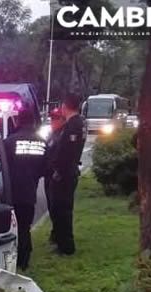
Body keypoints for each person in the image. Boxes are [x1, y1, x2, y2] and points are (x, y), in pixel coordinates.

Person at [3, 111, 47, 271]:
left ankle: (13, 260)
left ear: (17, 122)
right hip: (29, 191)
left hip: (11, 193)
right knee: (25, 226)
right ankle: (24, 259)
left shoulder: (8, 142)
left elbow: (2, 167)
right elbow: (45, 168)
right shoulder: (42, 143)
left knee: (11, 228)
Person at [45, 94, 86, 255]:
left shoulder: (72, 125)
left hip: (64, 175)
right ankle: (61, 241)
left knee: (62, 210)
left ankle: (66, 246)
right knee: (60, 209)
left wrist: (57, 170)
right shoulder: (78, 123)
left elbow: (65, 153)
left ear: (65, 106)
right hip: (67, 172)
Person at [44, 108, 66, 245]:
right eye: (51, 118)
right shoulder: (52, 134)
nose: (52, 121)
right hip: (48, 174)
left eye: (56, 118)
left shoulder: (62, 135)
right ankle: (55, 232)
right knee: (51, 205)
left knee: (57, 206)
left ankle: (58, 234)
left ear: (62, 120)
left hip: (56, 175)